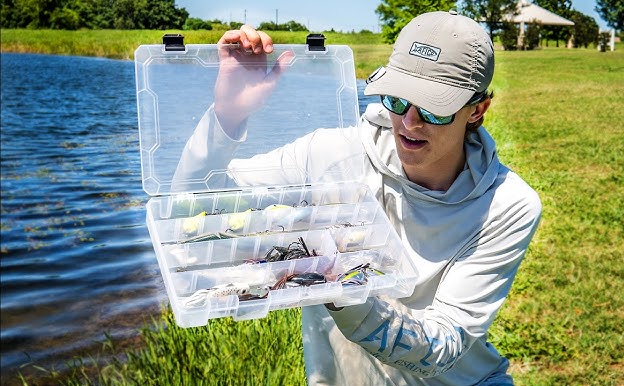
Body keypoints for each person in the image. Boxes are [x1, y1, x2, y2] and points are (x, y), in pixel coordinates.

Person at [176, 10, 541, 386]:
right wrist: (227, 117)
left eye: (433, 108)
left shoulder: (507, 206)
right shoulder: (329, 154)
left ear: (477, 110)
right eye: (398, 99)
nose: (410, 122)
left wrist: (339, 285)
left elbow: (441, 348)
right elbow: (194, 205)